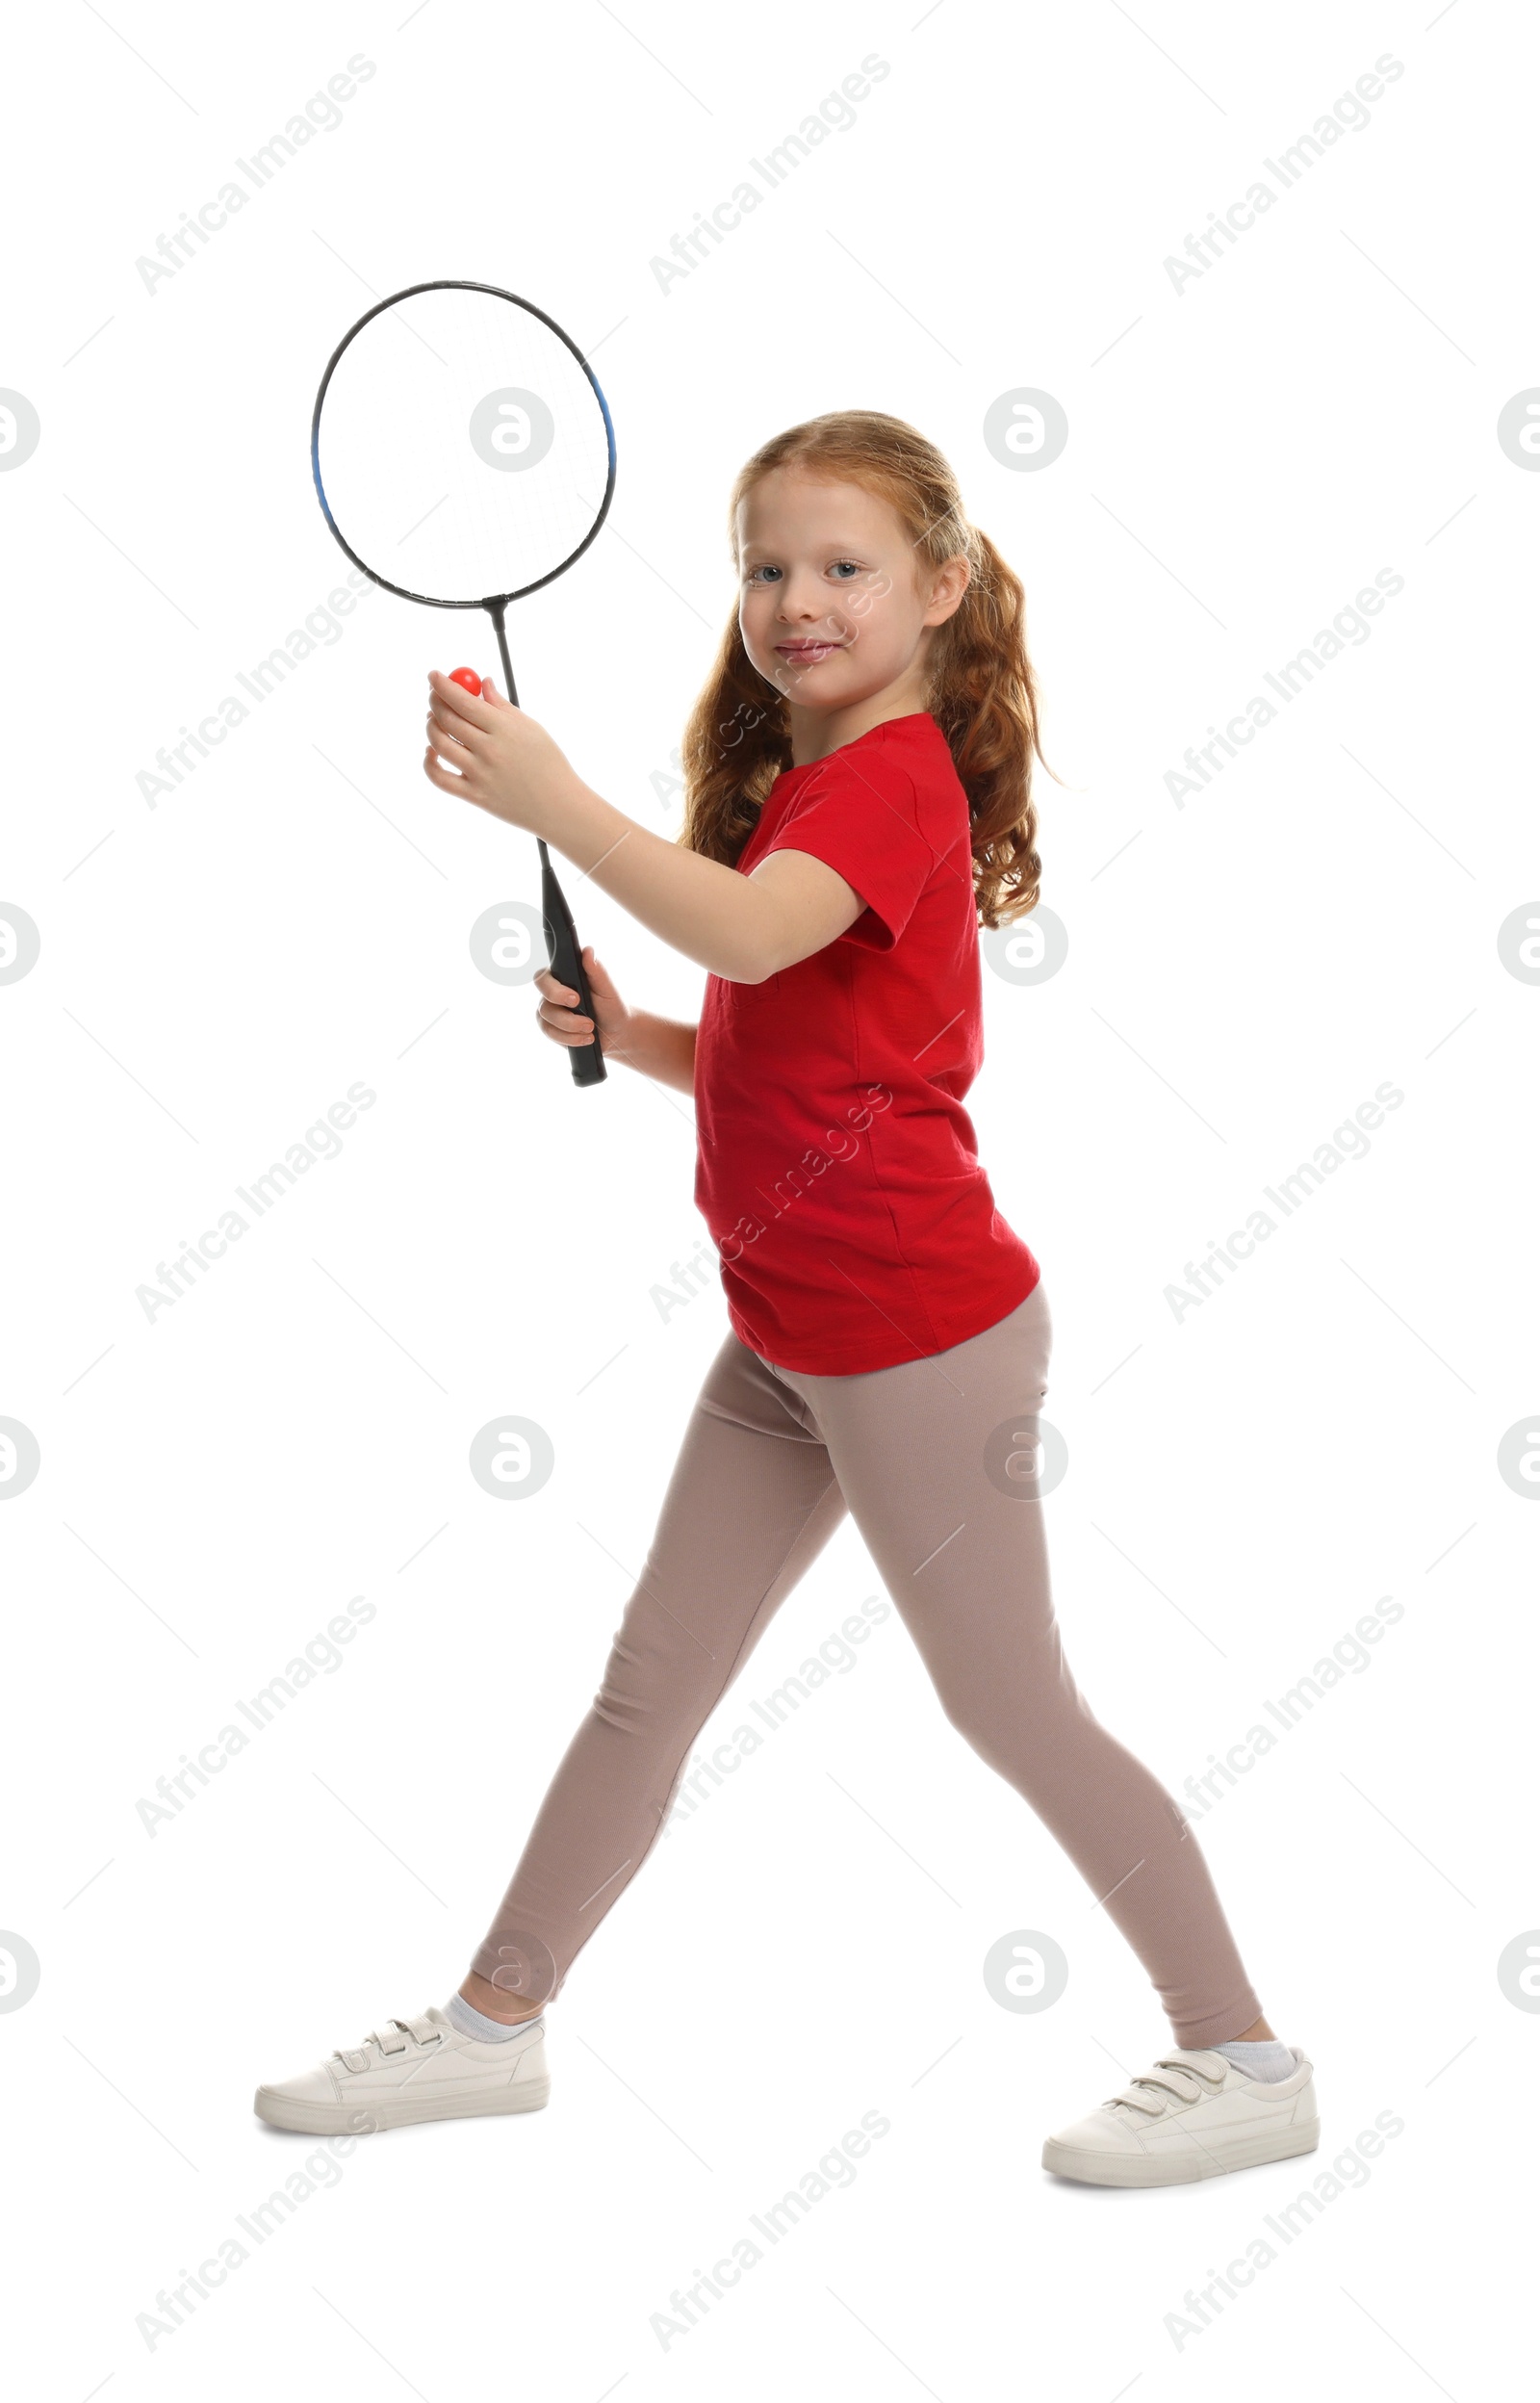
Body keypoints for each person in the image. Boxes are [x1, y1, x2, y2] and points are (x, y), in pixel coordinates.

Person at [255, 411, 1317, 2185]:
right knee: (646, 1687)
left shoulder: (895, 778)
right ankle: (491, 2026)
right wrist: (639, 1040)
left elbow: (750, 939)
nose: (797, 601)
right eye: (767, 567)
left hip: (915, 1338)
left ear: (944, 588)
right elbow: (797, 1042)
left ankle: (1244, 2055)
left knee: (1009, 1706)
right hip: (790, 1332)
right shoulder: (808, 787)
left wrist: (553, 800)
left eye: (845, 568)